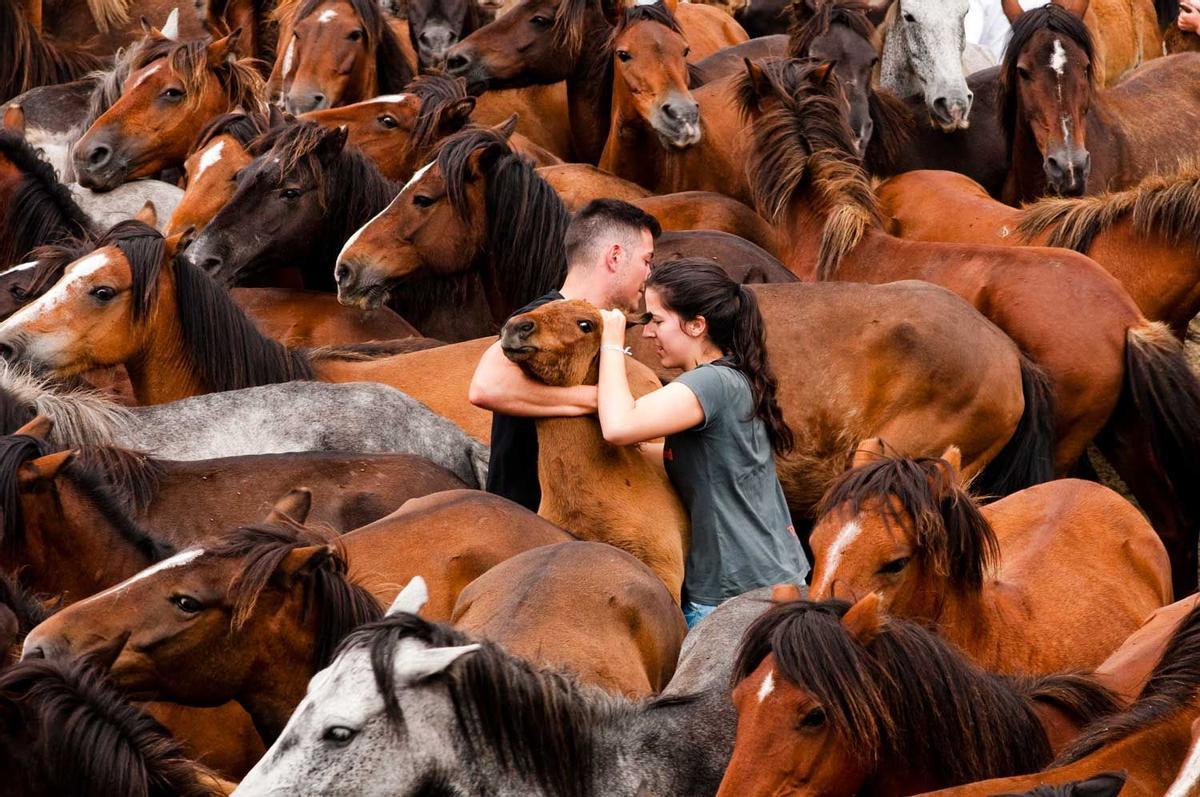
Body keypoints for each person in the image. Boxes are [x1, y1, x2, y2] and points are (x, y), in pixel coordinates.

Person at [596, 259, 808, 629]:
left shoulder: (711, 384)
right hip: (762, 581)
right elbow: (691, 460)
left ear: (697, 325)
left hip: (741, 596)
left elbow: (618, 425)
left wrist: (611, 343)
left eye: (657, 321)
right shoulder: (729, 379)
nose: (648, 334)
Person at [468, 199, 661, 511]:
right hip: (529, 517)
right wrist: (604, 400)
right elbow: (486, 387)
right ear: (614, 256)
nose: (648, 274)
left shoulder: (607, 327)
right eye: (646, 260)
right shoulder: (538, 319)